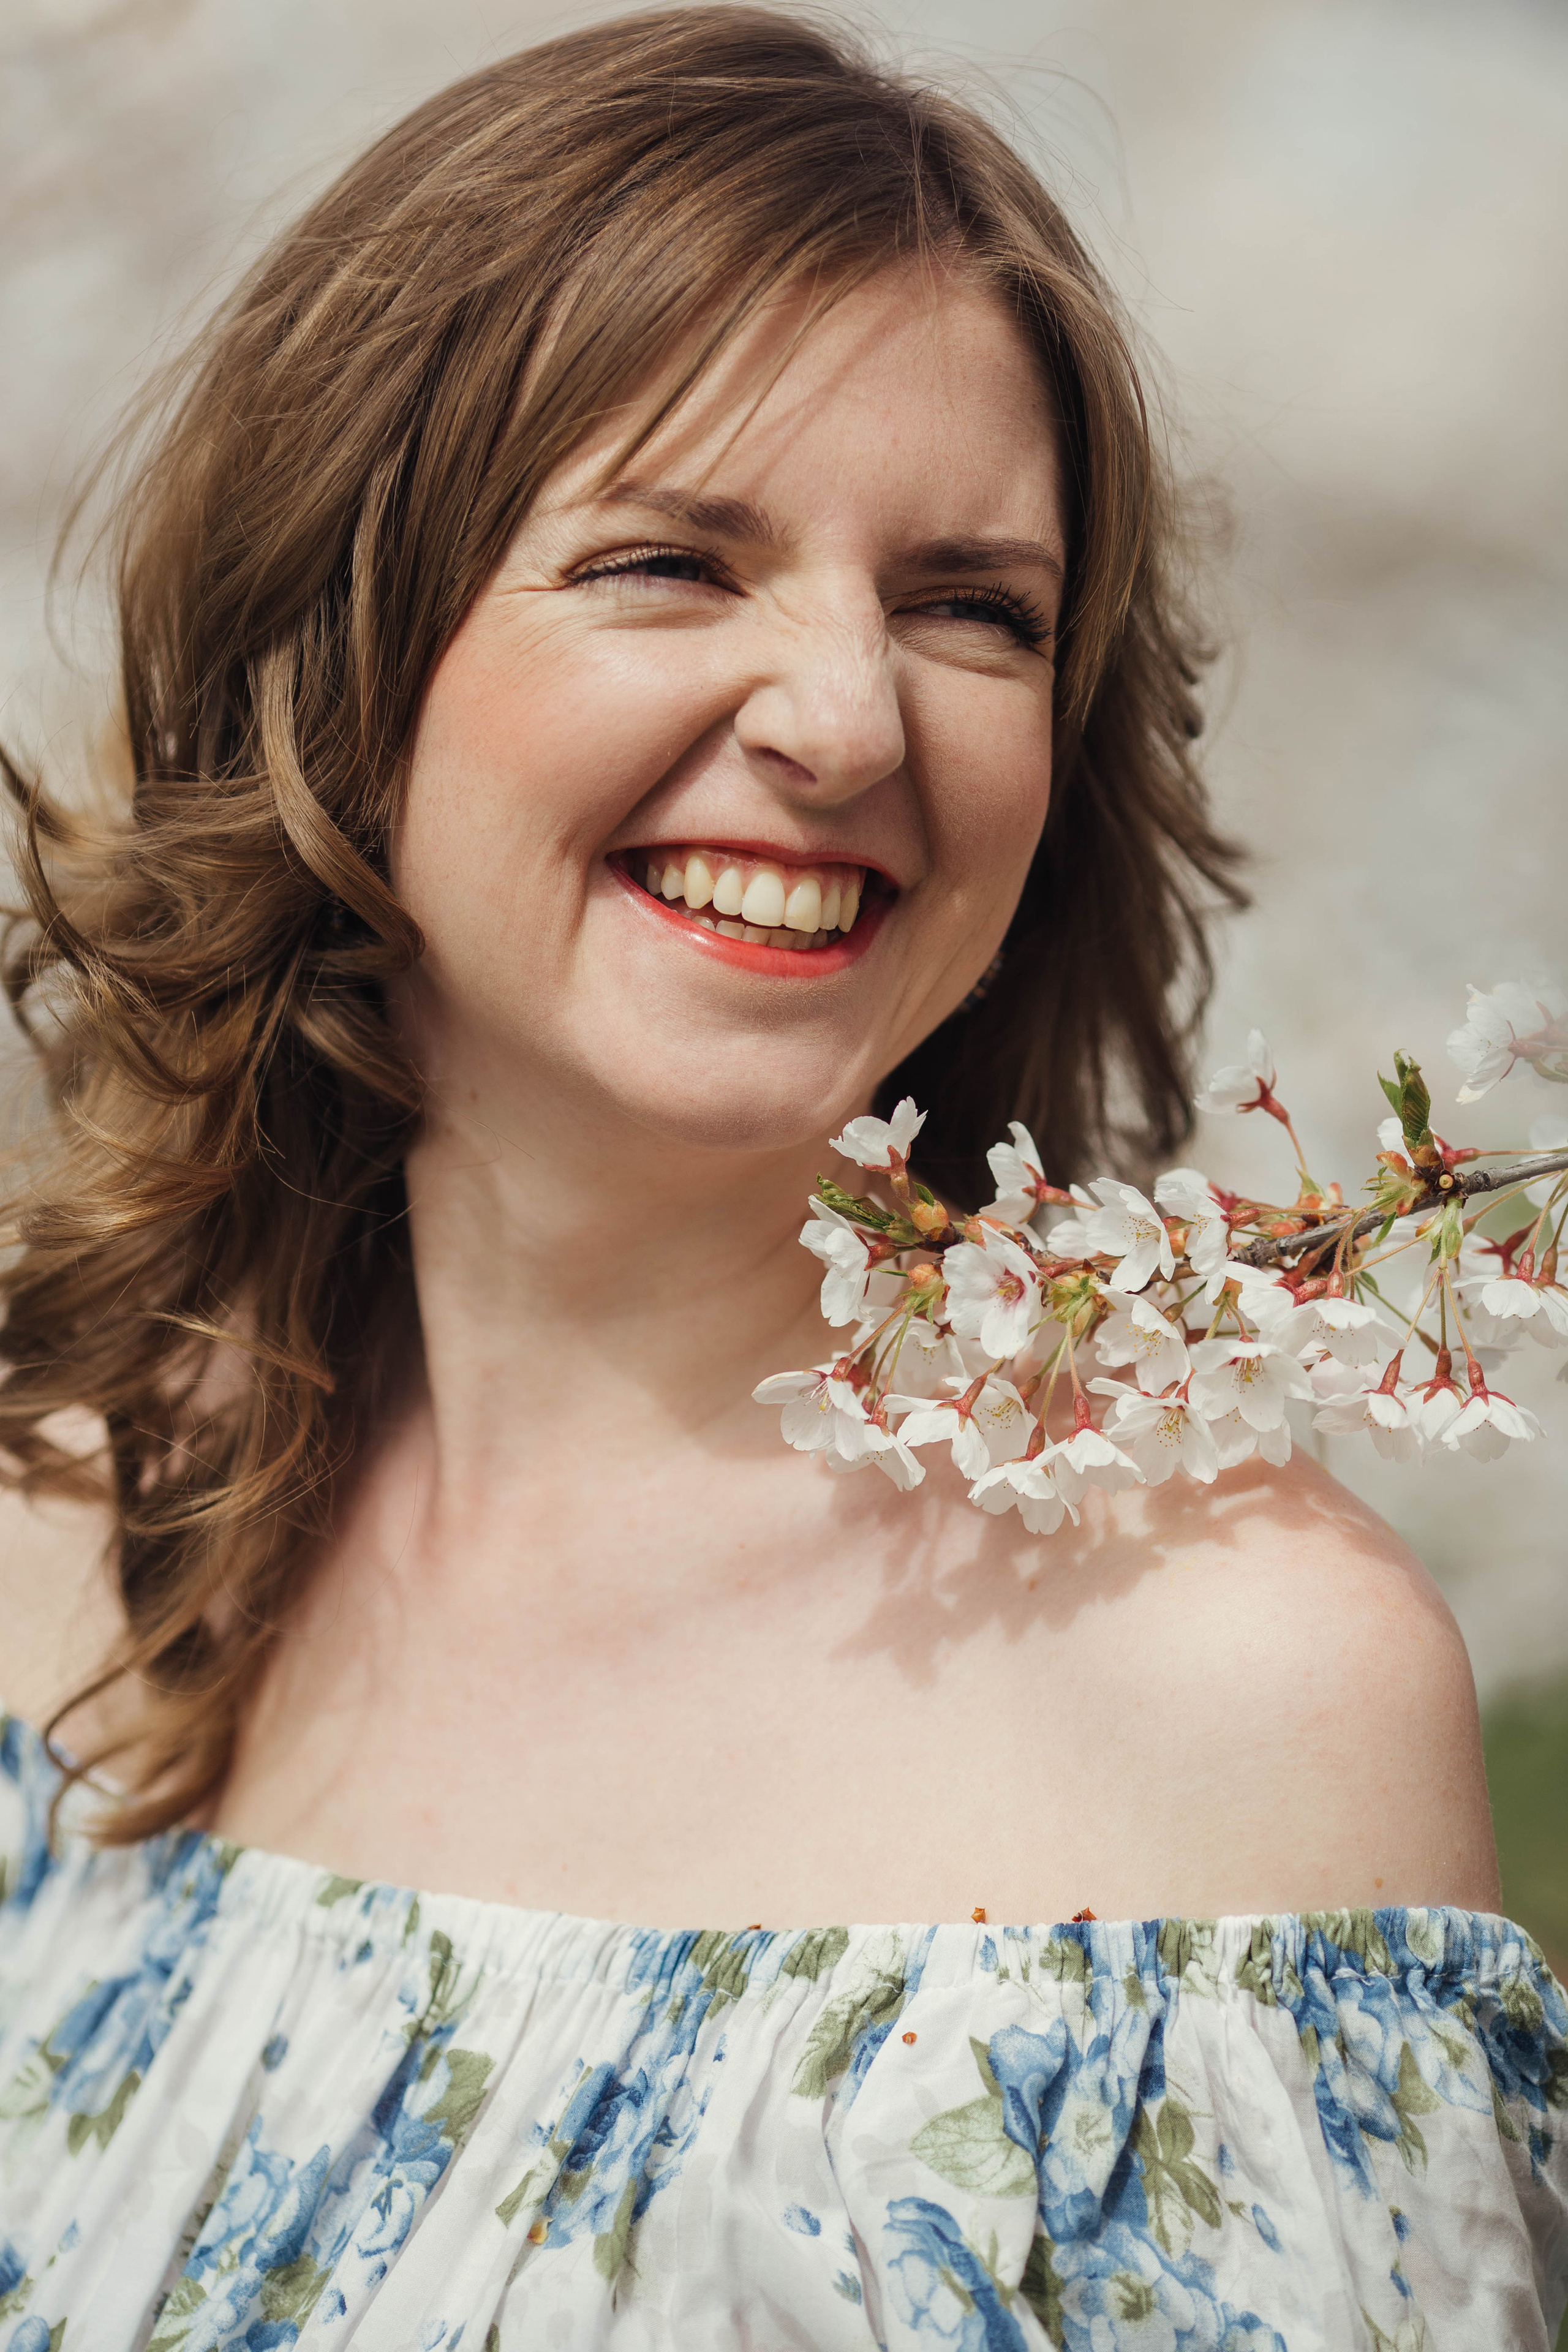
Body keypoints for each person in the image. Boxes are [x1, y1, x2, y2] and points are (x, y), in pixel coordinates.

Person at [0, 9, 1562, 2344]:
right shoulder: (56, 1517)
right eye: (670, 561)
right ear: (343, 655)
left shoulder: (1234, 1704)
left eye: (970, 609)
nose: (845, 722)